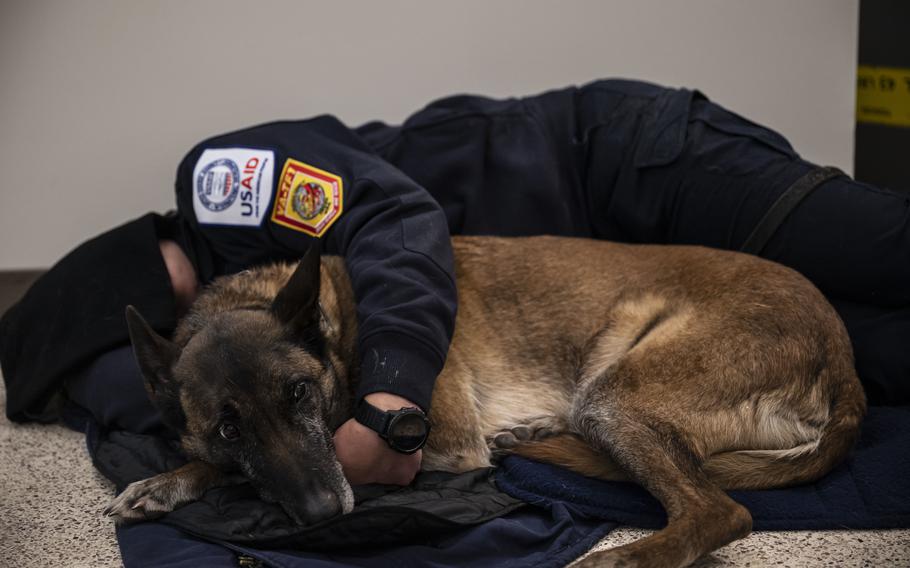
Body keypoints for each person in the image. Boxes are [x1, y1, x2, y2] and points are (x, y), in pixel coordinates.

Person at [2, 78, 908, 491]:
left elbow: (402, 219)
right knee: (879, 358)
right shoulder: (258, 315)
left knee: (891, 248)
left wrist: (392, 398)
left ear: (139, 268)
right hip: (636, 279)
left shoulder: (219, 186)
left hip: (629, 162)